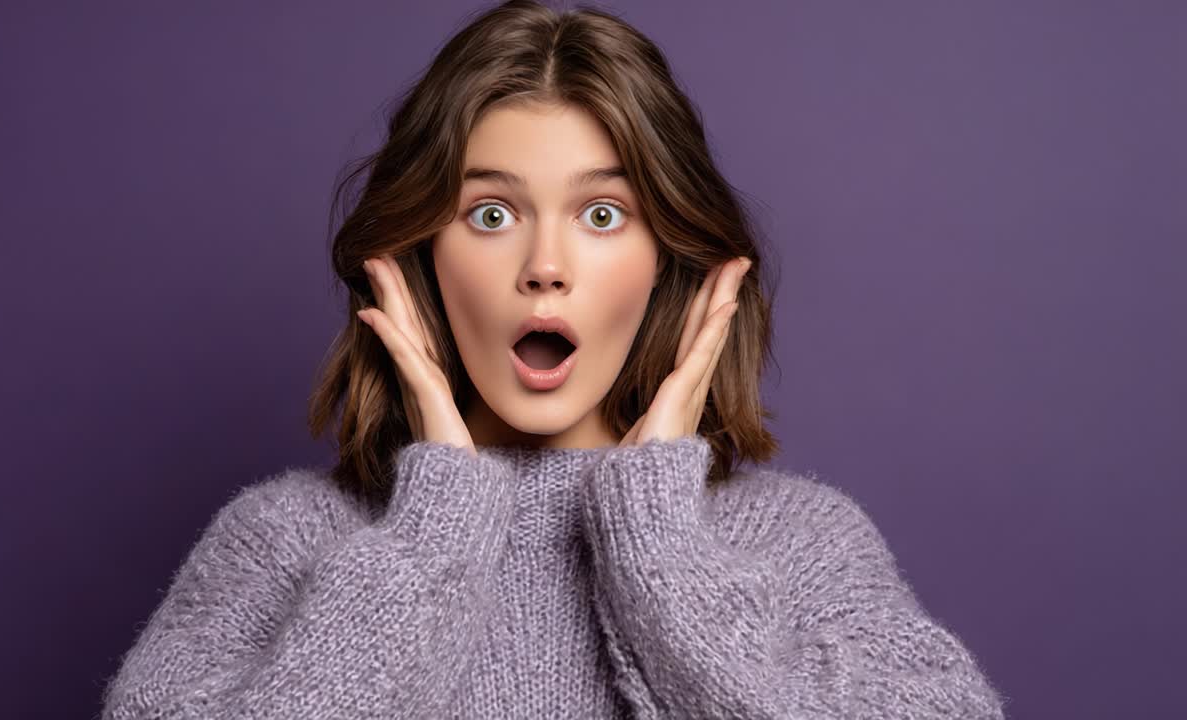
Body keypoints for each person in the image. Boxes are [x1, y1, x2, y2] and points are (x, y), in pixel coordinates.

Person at [100, 1, 1006, 717]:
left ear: (672, 261)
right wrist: (434, 529)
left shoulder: (798, 543)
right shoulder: (284, 541)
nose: (545, 268)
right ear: (416, 253)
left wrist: (658, 540)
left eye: (602, 215)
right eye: (490, 214)